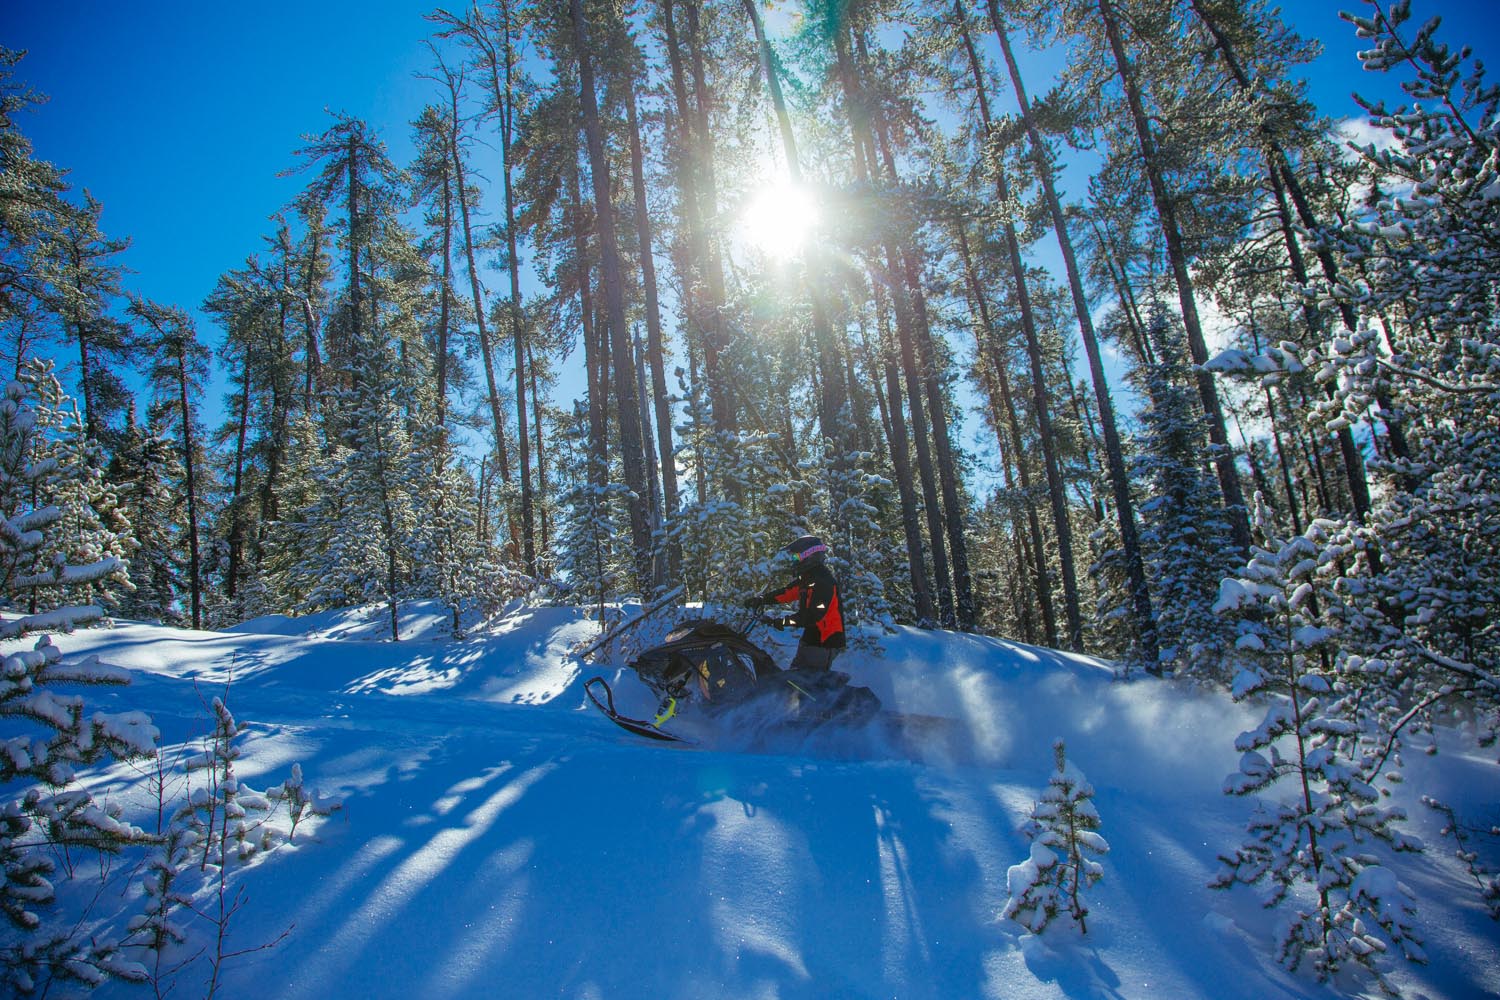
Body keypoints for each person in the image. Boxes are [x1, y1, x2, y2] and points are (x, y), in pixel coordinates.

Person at [747, 534, 845, 671]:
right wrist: (762, 599)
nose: (794, 560)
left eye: (796, 557)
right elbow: (787, 593)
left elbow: (811, 616)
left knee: (808, 683)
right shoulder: (809, 577)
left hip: (825, 641)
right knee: (796, 679)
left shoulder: (823, 581)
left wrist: (783, 622)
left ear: (810, 556)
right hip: (812, 638)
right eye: (793, 557)